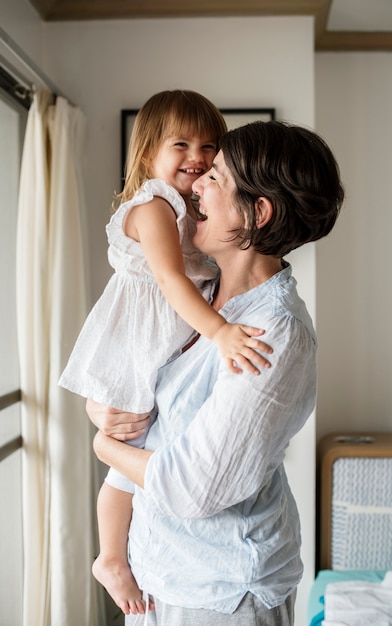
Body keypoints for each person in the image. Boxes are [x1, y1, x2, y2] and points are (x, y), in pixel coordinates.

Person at [87, 119, 344, 626]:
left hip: (222, 591)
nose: (197, 180)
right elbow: (138, 388)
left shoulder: (274, 334)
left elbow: (192, 488)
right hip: (160, 571)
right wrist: (105, 410)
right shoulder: (203, 296)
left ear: (257, 213)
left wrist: (103, 446)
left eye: (217, 176)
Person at [59, 91, 273, 616]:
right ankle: (110, 556)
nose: (196, 155)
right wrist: (220, 332)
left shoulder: (194, 212)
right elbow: (171, 279)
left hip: (165, 351)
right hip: (139, 348)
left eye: (208, 145)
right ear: (148, 152)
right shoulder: (153, 207)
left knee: (138, 454)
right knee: (123, 461)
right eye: (181, 144)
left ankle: (114, 553)